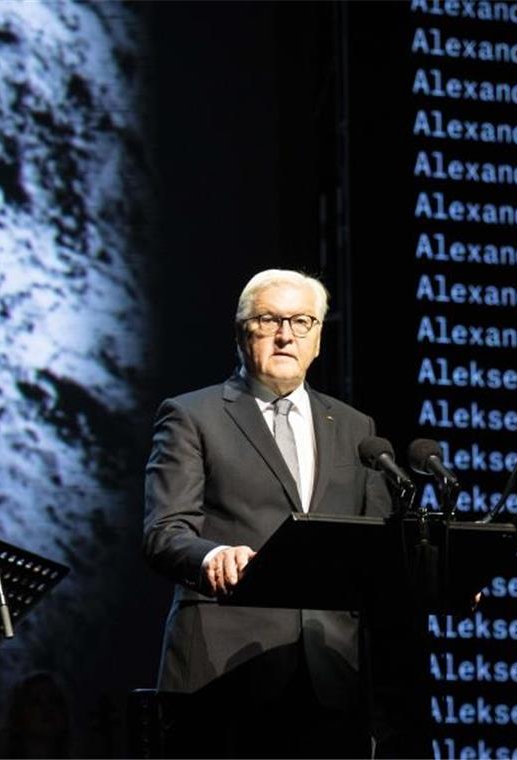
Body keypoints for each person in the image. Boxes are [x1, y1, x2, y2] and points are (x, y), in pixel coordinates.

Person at [143, 269, 392, 757]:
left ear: (318, 337)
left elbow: (376, 545)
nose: (285, 335)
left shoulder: (355, 427)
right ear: (242, 331)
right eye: (269, 319)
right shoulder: (192, 416)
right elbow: (164, 531)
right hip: (224, 668)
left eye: (301, 321)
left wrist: (435, 576)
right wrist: (211, 555)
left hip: (330, 675)